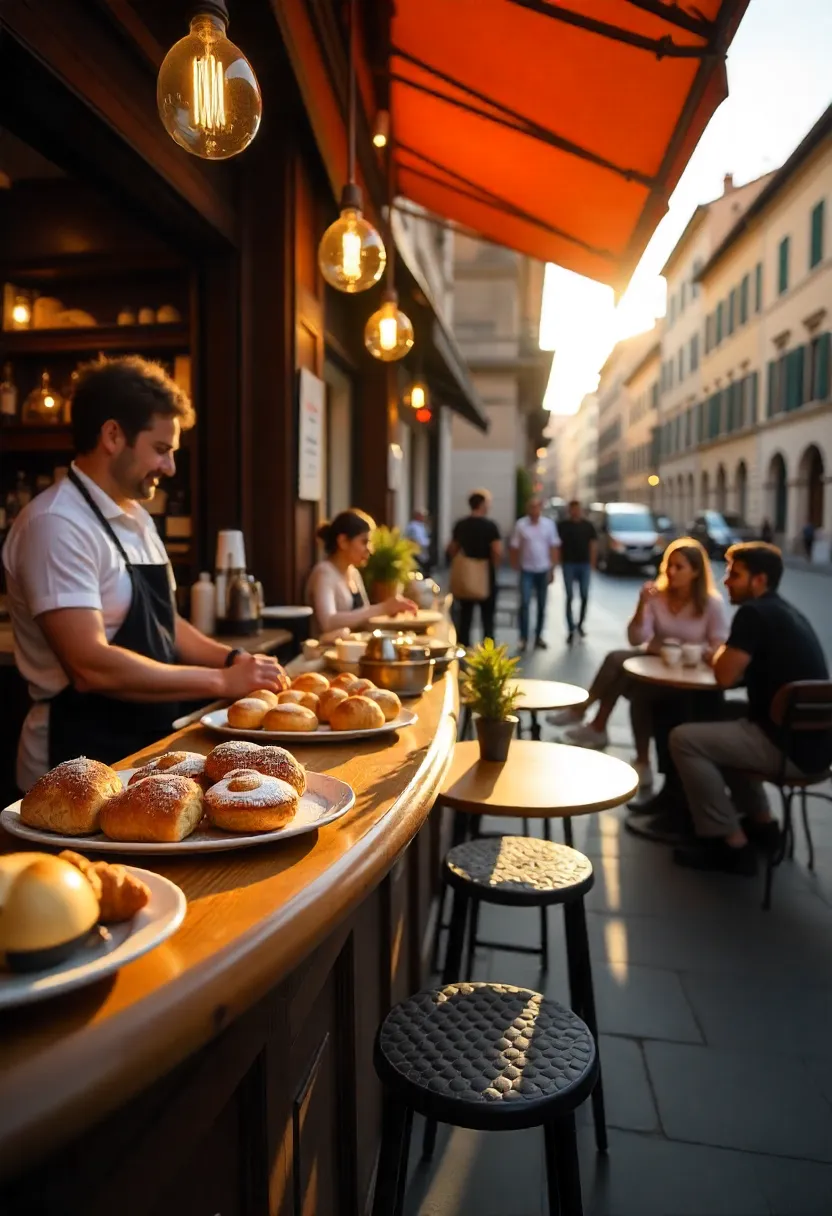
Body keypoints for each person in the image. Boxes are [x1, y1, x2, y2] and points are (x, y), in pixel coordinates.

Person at [3, 356, 286, 791]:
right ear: (113, 435)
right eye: (161, 449)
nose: (170, 467)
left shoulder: (136, 517)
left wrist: (232, 659)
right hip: (72, 763)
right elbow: (90, 665)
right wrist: (221, 680)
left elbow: (164, 622)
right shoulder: (56, 524)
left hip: (144, 745)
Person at [670, 543, 832, 876]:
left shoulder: (753, 614)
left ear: (759, 580)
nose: (726, 580)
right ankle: (763, 825)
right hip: (814, 747)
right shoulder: (787, 611)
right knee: (723, 718)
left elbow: (724, 673)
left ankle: (730, 844)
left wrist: (713, 655)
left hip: (788, 749)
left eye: (735, 574)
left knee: (684, 738)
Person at [552, 539, 728, 789]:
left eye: (679, 567)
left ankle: (598, 726)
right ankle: (597, 726)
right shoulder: (658, 596)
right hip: (655, 664)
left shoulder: (711, 604)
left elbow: (719, 644)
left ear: (696, 572)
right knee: (618, 660)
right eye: (669, 566)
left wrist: (691, 651)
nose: (671, 572)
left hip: (690, 673)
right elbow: (637, 638)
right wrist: (642, 604)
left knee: (629, 678)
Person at [305, 509, 417, 639]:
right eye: (364, 542)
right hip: (325, 653)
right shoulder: (324, 573)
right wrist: (383, 608)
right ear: (343, 542)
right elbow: (328, 622)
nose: (370, 550)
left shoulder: (353, 572)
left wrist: (392, 613)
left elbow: (364, 617)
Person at [448, 490, 502, 647]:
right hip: (486, 572)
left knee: (465, 615)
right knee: (488, 617)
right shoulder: (490, 526)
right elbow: (497, 550)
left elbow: (453, 548)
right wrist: (495, 565)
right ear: (483, 504)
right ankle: (488, 649)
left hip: (466, 573)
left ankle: (463, 647)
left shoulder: (461, 525)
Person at [509, 496, 560, 651]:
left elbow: (554, 546)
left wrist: (553, 568)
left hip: (543, 568)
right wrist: (515, 564)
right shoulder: (521, 525)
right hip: (527, 569)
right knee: (524, 604)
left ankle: (538, 636)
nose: (534, 511)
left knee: (542, 605)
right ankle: (524, 637)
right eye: (531, 508)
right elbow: (514, 546)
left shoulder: (548, 525)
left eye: (536, 508)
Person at [557, 500, 597, 643]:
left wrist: (592, 563)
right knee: (569, 596)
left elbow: (593, 545)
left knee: (584, 595)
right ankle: (570, 628)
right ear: (570, 510)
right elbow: (558, 545)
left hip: (584, 564)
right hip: (569, 564)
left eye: (577, 509)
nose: (575, 512)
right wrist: (558, 562)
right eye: (573, 509)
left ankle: (580, 624)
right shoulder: (563, 526)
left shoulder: (588, 526)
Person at [404, 507, 431, 573]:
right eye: (422, 516)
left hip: (423, 553)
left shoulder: (422, 526)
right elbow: (412, 539)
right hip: (416, 553)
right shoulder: (412, 526)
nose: (424, 518)